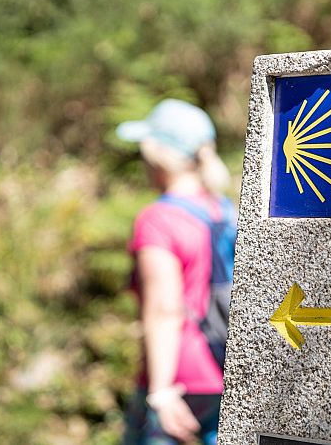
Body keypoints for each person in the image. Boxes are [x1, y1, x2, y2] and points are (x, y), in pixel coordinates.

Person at [117, 99, 235, 444]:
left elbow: (165, 309)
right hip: (225, 370)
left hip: (178, 377)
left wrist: (161, 392)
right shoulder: (225, 211)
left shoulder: (159, 220)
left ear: (158, 156)